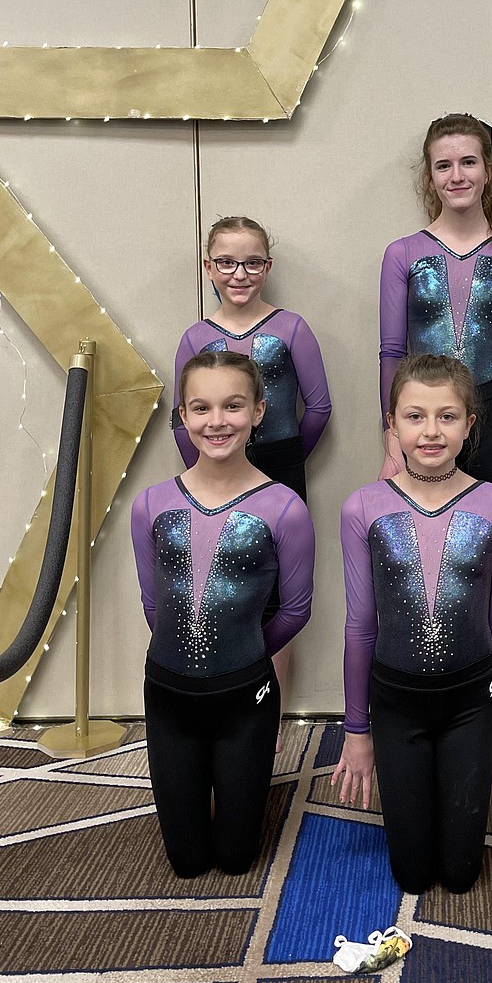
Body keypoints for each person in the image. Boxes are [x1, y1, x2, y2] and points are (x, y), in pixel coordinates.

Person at [333, 353, 492, 894]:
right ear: (391, 425)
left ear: (470, 424)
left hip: (469, 703)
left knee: (462, 875)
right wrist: (356, 729)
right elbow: (360, 626)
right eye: (415, 416)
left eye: (447, 416)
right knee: (412, 875)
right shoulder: (363, 508)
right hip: (396, 703)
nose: (431, 431)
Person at [132, 352, 314, 877]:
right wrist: (191, 658)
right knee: (185, 861)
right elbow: (154, 605)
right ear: (182, 418)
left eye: (233, 406)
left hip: (245, 698)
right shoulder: (150, 505)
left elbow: (296, 609)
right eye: (201, 408)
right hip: (169, 696)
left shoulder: (284, 508)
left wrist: (246, 655)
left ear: (259, 410)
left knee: (237, 860)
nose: (217, 421)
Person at [172, 216, 330, 715]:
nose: (239, 274)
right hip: (210, 475)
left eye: (252, 262)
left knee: (279, 593)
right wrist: (207, 468)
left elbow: (319, 406)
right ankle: (224, 696)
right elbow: (182, 421)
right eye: (226, 262)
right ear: (208, 267)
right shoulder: (196, 337)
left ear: (268, 265)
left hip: (280, 466)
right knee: (223, 584)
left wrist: (283, 465)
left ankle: (272, 715)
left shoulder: (290, 328)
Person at [378, 115, 492, 506]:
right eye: (443, 165)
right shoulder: (402, 254)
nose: (457, 176)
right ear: (430, 177)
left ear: (488, 170)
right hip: (423, 416)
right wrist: (391, 440)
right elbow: (391, 354)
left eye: (468, 162)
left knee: (489, 540)